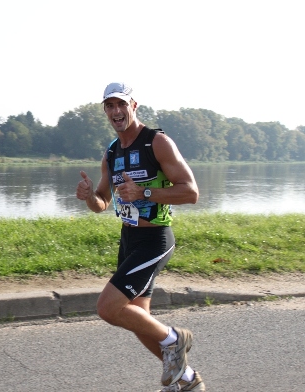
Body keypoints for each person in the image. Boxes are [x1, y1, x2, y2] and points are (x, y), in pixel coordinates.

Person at [76, 82, 205, 392]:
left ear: (133, 106)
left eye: (122, 104)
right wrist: (88, 197)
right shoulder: (111, 151)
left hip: (156, 240)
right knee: (138, 319)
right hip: (129, 240)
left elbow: (191, 193)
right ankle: (186, 380)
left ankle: (176, 339)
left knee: (108, 308)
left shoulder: (157, 143)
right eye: (110, 106)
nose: (116, 111)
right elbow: (103, 203)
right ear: (105, 111)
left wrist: (145, 191)